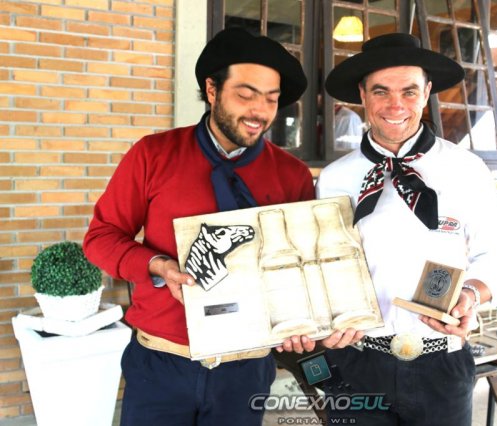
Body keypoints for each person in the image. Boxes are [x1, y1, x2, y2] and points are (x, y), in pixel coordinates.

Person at [83, 28, 320, 425]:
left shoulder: (292, 175)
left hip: (247, 368)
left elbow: (301, 268)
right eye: (246, 94)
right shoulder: (153, 154)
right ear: (212, 90)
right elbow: (101, 237)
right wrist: (158, 266)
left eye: (271, 98)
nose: (260, 110)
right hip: (161, 361)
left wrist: (302, 321)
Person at [315, 33, 497, 425]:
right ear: (363, 95)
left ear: (426, 93)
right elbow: (322, 265)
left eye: (409, 92)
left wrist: (470, 296)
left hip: (441, 366)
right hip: (356, 362)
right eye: (381, 91)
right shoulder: (334, 178)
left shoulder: (465, 168)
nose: (396, 105)